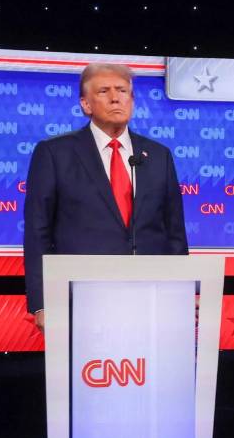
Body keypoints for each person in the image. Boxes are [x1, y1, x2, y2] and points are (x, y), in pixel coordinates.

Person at [24, 63, 188, 328]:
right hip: (82, 298)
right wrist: (42, 302)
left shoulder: (158, 155)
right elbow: (37, 231)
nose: (115, 98)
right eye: (104, 91)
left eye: (122, 90)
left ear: (132, 100)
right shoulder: (55, 153)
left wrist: (183, 292)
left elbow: (174, 232)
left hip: (150, 297)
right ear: (85, 104)